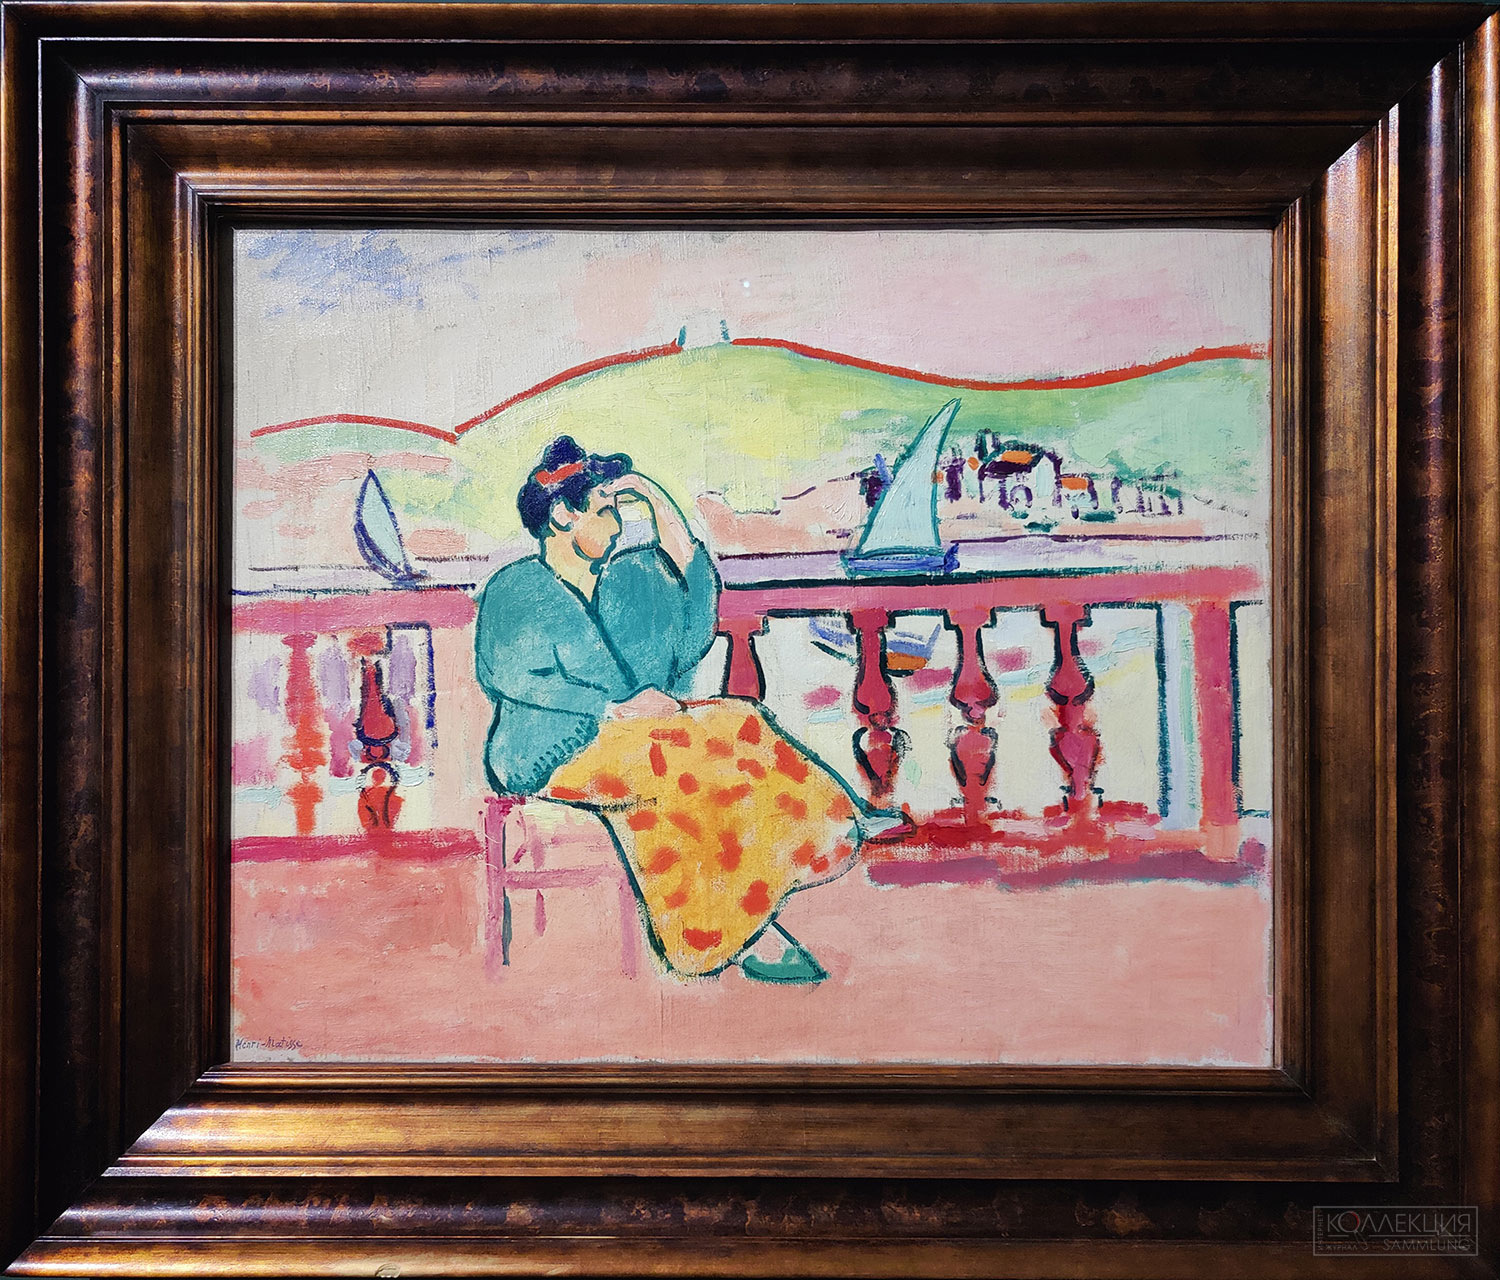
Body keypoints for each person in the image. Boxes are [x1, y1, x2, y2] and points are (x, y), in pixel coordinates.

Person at [474, 436, 902, 985]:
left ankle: (817, 841)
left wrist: (651, 496)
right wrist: (612, 708)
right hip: (548, 752)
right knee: (679, 766)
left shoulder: (628, 580)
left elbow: (694, 595)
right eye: (604, 511)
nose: (617, 526)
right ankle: (724, 936)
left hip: (638, 737)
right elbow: (511, 676)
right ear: (562, 516)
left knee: (738, 721)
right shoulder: (515, 589)